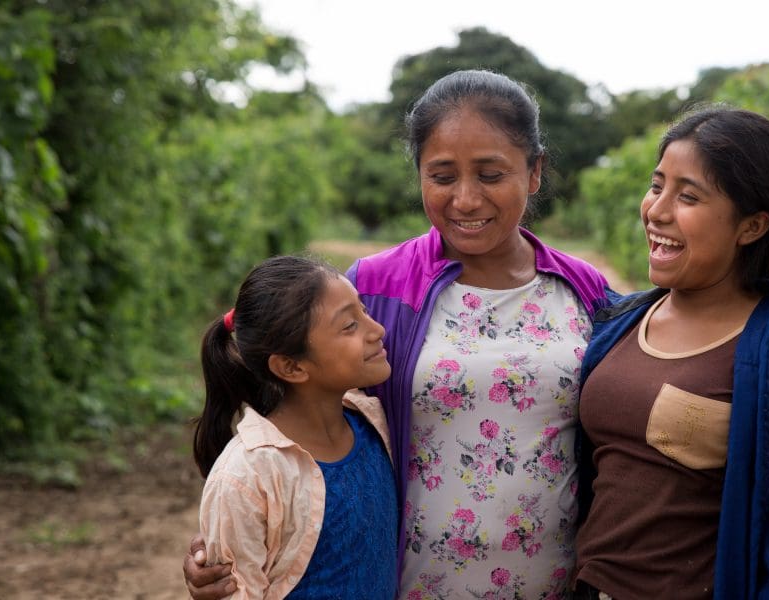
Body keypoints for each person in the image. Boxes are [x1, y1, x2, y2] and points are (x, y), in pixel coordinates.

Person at [184, 69, 614, 599]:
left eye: (490, 174)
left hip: (555, 582)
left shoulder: (582, 290)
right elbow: (295, 417)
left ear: (534, 172)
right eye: (441, 175)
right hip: (410, 585)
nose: (465, 199)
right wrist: (233, 539)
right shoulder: (374, 287)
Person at [572, 107, 769, 599]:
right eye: (656, 185)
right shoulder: (621, 322)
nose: (657, 210)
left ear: (751, 226)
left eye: (688, 196)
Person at [192, 255, 398, 600]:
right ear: (291, 367)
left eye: (363, 311)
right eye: (349, 326)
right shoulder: (248, 476)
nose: (377, 330)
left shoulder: (373, 422)